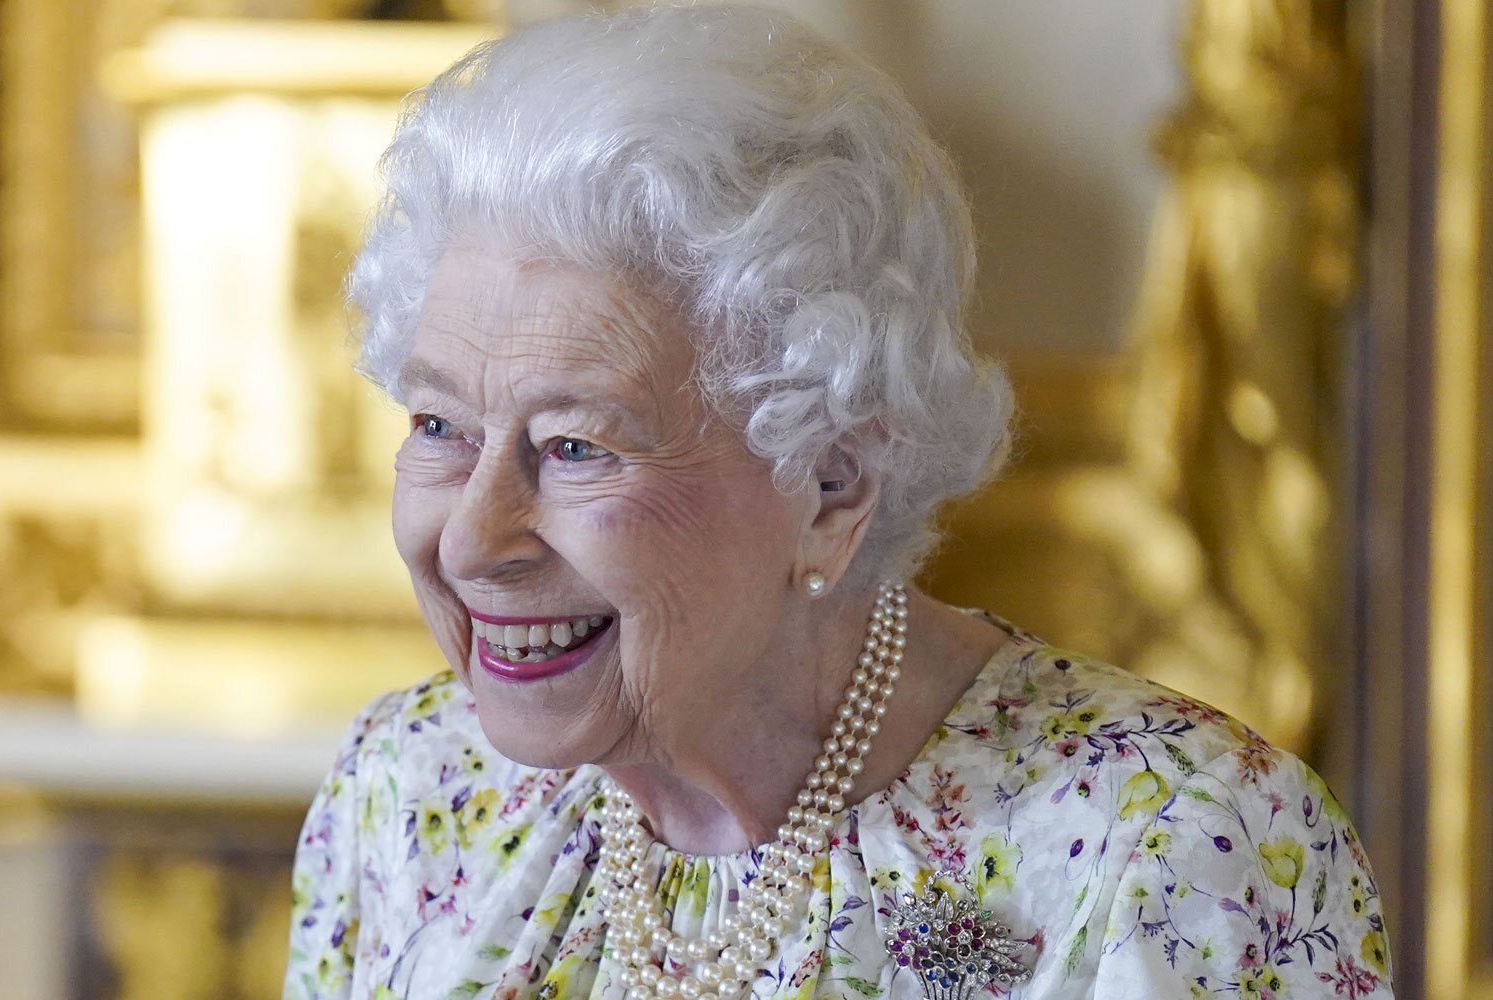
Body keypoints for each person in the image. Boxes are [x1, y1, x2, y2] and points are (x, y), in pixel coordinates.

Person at [284, 5, 1393, 997]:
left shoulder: (1170, 851)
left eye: (574, 447)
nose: (473, 538)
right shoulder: (410, 797)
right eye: (439, 428)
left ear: (829, 486)